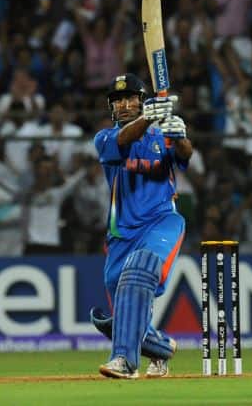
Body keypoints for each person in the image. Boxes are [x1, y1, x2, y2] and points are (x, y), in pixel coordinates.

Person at [92, 73, 193, 379]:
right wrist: (148, 118)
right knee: (124, 311)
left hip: (162, 222)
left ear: (141, 100)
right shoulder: (105, 139)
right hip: (121, 234)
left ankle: (124, 360)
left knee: (138, 273)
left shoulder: (161, 136)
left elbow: (185, 155)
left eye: (129, 98)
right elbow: (125, 140)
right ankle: (160, 349)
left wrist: (179, 135)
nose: (123, 105)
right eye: (117, 100)